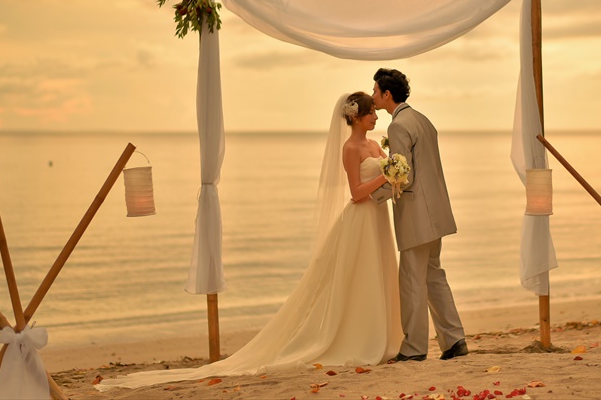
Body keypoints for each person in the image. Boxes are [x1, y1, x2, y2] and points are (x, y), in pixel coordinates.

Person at [97, 92, 402, 391]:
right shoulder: (350, 148)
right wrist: (385, 176)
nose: (376, 116)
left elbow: (379, 181)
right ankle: (362, 339)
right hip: (360, 221)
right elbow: (356, 192)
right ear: (355, 117)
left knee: (379, 275)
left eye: (375, 112)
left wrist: (392, 173)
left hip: (377, 219)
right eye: (371, 112)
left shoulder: (375, 144)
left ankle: (382, 336)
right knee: (361, 278)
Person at [369, 68, 468, 362]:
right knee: (434, 276)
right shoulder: (423, 120)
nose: (373, 96)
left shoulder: (399, 126)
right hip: (436, 212)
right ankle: (455, 341)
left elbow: (404, 176)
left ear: (387, 94)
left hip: (416, 213)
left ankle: (414, 348)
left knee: (412, 280)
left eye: (375, 91)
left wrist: (374, 196)